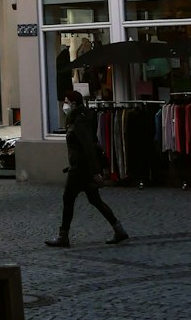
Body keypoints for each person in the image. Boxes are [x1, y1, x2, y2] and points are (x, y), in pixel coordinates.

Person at [46, 89, 129, 247]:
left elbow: (88, 148)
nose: (64, 105)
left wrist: (95, 172)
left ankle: (63, 236)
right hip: (81, 167)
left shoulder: (79, 122)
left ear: (73, 103)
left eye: (66, 102)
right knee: (95, 200)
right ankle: (119, 229)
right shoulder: (79, 119)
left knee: (68, 199)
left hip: (79, 170)